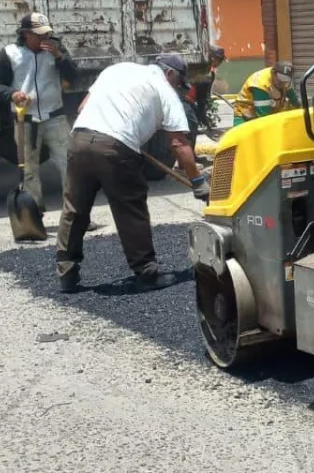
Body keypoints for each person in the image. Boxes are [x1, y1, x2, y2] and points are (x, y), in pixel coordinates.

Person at [55, 53, 208, 293]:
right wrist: (198, 182)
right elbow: (179, 143)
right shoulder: (165, 91)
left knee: (75, 208)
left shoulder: (118, 69)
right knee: (130, 207)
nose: (179, 89)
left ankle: (66, 272)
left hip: (79, 138)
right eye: (179, 83)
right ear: (170, 74)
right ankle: (146, 272)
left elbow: (83, 106)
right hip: (116, 146)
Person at [0, 12, 79, 210]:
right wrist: (12, 94)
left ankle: (75, 213)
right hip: (25, 120)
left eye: (46, 34)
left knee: (70, 163)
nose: (44, 39)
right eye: (39, 35)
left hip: (55, 115)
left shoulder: (56, 50)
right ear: (25, 34)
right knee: (29, 170)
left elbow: (74, 76)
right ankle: (34, 214)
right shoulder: (10, 53)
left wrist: (59, 56)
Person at [233, 60, 299, 124]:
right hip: (245, 115)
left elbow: (296, 102)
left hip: (270, 111)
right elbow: (264, 115)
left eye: (285, 80)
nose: (281, 82)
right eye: (280, 78)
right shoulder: (261, 85)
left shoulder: (285, 82)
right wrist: (276, 100)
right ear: (273, 73)